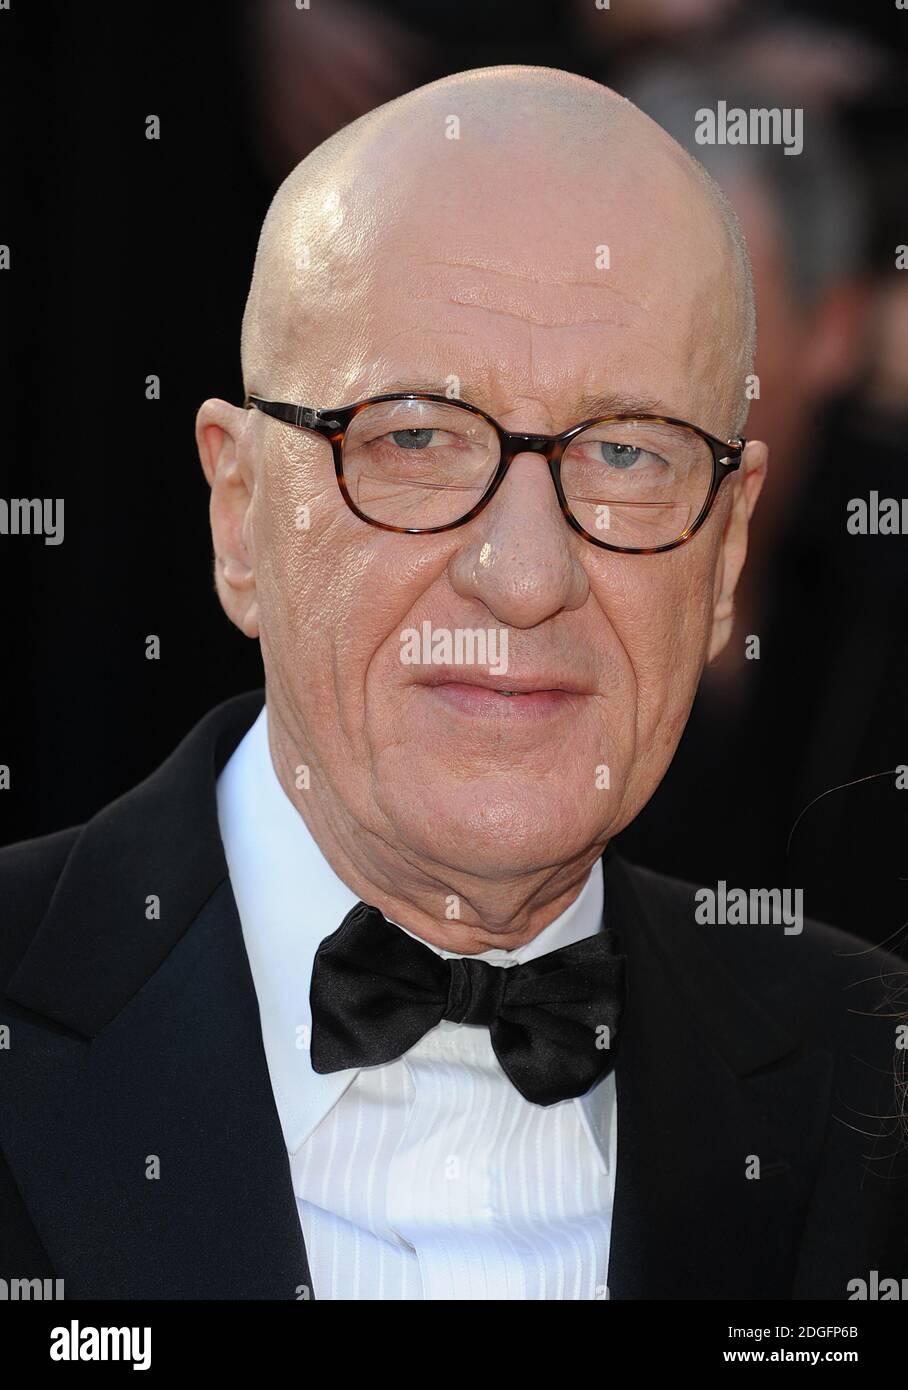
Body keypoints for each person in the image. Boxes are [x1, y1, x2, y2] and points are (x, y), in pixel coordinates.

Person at [0, 65, 904, 1301]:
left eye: (624, 453)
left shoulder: (874, 1091)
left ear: (724, 549)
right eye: (415, 438)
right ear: (239, 514)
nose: (524, 577)